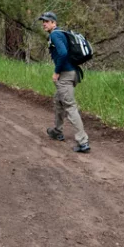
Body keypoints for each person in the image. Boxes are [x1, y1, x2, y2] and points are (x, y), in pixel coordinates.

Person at [39, 11, 90, 153]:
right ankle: (57, 131)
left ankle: (83, 142)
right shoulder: (60, 34)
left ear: (54, 23)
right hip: (71, 73)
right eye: (43, 21)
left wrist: (56, 71)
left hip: (66, 75)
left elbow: (62, 53)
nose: (44, 23)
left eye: (47, 21)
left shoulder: (55, 34)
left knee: (70, 106)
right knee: (58, 100)